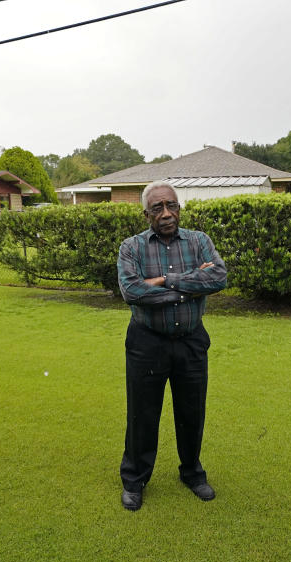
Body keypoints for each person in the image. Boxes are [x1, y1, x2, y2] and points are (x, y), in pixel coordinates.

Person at [116, 180, 227, 511]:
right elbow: (132, 292)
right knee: (142, 415)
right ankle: (134, 480)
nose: (166, 214)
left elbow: (218, 278)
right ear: (146, 214)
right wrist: (193, 283)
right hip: (146, 342)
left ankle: (192, 473)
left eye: (172, 206)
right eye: (158, 208)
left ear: (179, 208)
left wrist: (165, 280)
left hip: (191, 341)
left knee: (192, 412)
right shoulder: (131, 247)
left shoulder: (198, 241)